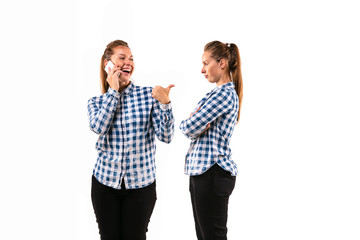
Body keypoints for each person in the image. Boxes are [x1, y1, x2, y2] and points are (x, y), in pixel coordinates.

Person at [87, 40, 175, 240]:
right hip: (105, 184)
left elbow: (166, 137)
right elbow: (98, 127)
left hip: (141, 187)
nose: (128, 62)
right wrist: (113, 92)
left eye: (131, 59)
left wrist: (165, 104)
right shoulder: (96, 102)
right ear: (107, 64)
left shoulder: (149, 95)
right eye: (122, 58)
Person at [179, 40, 243, 240]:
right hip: (204, 173)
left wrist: (191, 122)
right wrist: (194, 124)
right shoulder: (216, 94)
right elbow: (193, 127)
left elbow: (188, 127)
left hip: (212, 173)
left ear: (222, 63)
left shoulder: (223, 95)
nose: (202, 69)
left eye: (206, 63)